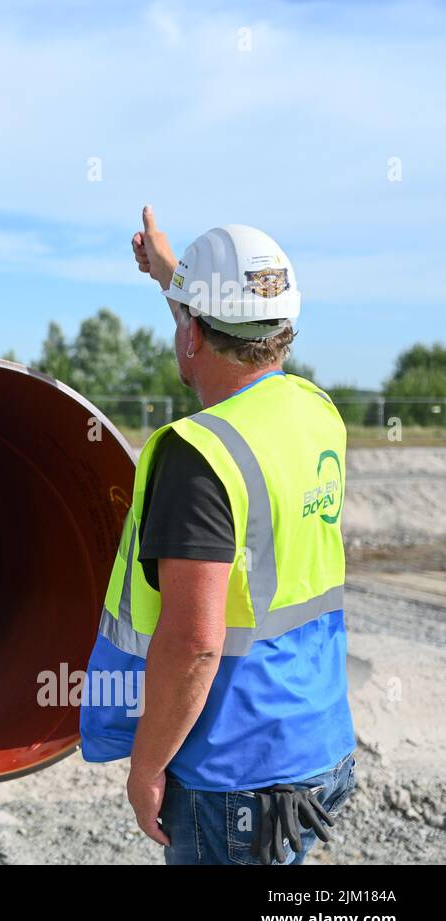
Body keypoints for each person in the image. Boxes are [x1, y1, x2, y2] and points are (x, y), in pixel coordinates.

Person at [78, 206, 357, 865]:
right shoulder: (314, 413)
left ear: (193, 336)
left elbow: (196, 643)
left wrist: (146, 767)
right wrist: (172, 276)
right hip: (319, 746)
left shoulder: (198, 455)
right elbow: (234, 325)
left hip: (234, 774)